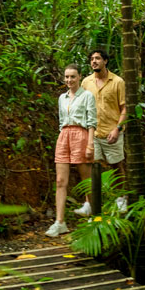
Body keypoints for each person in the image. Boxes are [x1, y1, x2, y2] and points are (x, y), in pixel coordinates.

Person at [46, 64, 97, 237]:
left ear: (80, 77)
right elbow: (62, 120)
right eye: (67, 77)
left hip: (81, 135)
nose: (69, 80)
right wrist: (63, 136)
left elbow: (91, 122)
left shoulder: (87, 96)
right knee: (60, 180)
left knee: (85, 178)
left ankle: (93, 214)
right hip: (64, 135)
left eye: (73, 77)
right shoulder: (62, 97)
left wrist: (90, 144)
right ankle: (60, 222)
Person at [76, 49, 127, 215]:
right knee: (92, 168)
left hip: (112, 132)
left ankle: (120, 199)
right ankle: (90, 203)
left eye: (97, 58)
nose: (94, 61)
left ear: (105, 61)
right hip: (92, 133)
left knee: (116, 166)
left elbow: (124, 108)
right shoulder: (86, 82)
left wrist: (117, 129)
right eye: (92, 59)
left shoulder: (118, 81)